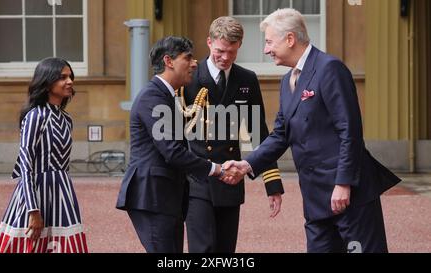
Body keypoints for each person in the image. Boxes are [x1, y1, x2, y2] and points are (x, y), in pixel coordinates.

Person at [223, 9, 401, 253]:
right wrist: (247, 165)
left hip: (349, 195)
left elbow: (350, 131)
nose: (266, 50)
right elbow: (280, 135)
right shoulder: (287, 81)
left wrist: (343, 183)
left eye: (269, 42)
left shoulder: (330, 68)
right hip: (316, 198)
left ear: (290, 39)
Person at [115, 36, 238, 253]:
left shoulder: (164, 95)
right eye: (187, 58)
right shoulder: (152, 96)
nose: (194, 63)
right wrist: (216, 169)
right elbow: (172, 151)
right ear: (168, 61)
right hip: (153, 196)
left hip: (165, 197)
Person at [182, 16, 284, 253]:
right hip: (197, 179)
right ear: (209, 42)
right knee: (203, 250)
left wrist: (273, 184)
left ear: (239, 46)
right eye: (220, 50)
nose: (225, 57)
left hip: (231, 179)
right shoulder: (189, 78)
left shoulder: (246, 79)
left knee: (225, 251)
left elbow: (259, 132)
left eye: (232, 52)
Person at [0, 57, 88, 253]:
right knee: (29, 246)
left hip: (62, 192)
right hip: (35, 193)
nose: (69, 82)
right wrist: (32, 210)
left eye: (70, 77)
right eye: (62, 77)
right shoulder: (35, 116)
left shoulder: (66, 119)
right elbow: (25, 164)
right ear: (47, 81)